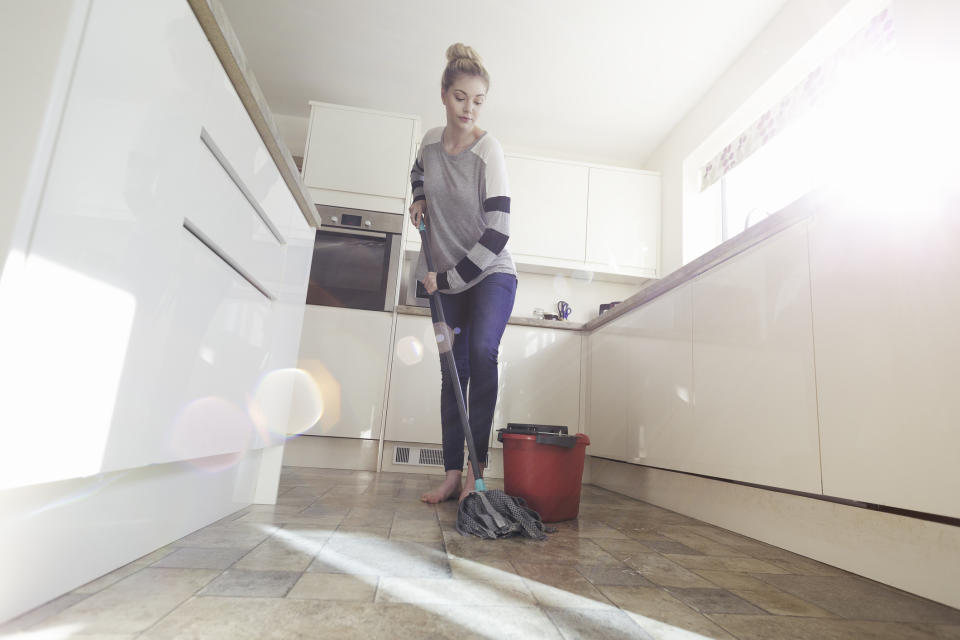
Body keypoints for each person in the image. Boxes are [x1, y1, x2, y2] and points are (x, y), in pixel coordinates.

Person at [409, 43, 516, 504]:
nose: (469, 108)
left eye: (478, 100)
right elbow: (418, 171)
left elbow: (499, 232)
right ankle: (453, 473)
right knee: (451, 369)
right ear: (443, 94)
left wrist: (449, 281)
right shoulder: (431, 142)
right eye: (460, 97)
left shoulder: (488, 150)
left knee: (481, 352)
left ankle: (477, 470)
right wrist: (418, 197)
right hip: (444, 275)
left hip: (490, 273)